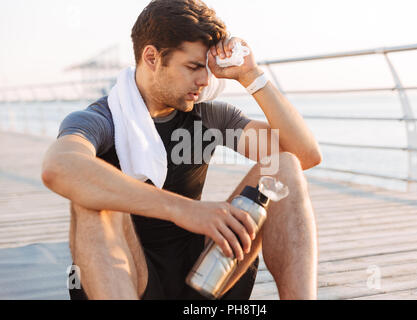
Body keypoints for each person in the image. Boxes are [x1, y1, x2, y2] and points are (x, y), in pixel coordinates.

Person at [41, 0, 322, 300]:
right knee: (90, 202)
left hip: (204, 277)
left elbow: (303, 155)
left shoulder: (209, 116)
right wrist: (183, 210)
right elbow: (59, 167)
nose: (205, 80)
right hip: (130, 282)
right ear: (151, 57)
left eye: (208, 68)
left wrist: (251, 76)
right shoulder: (101, 120)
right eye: (193, 67)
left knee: (284, 166)